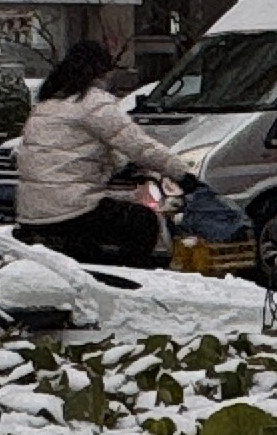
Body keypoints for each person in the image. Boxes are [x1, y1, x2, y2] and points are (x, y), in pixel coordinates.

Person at [11, 38, 193, 267]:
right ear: (100, 71)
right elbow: (138, 145)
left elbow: (80, 148)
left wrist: (120, 165)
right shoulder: (92, 101)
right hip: (70, 210)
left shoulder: (47, 105)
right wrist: (182, 174)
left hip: (31, 211)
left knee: (98, 236)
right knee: (143, 222)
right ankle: (128, 280)